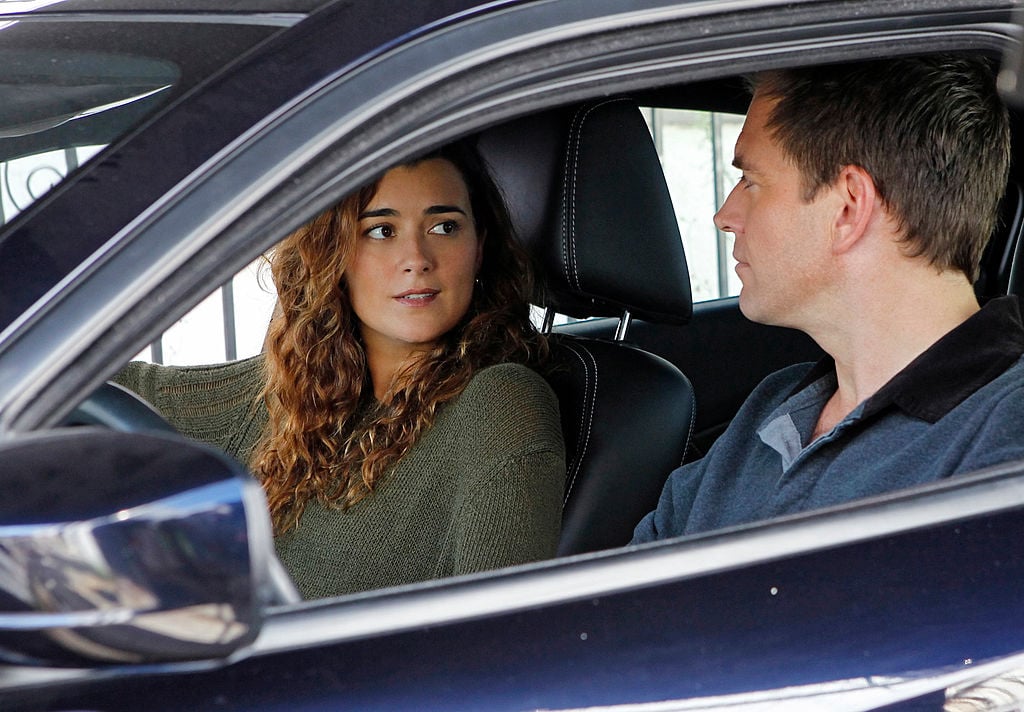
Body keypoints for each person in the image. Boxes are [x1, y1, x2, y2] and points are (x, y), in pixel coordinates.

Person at [116, 140, 566, 597]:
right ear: (335, 253)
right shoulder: (298, 394)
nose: (417, 259)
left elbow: (500, 640)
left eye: (445, 226)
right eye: (381, 231)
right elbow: (109, 390)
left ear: (479, 246)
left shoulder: (501, 404)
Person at [632, 54, 1024, 543]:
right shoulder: (775, 408)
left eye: (751, 181)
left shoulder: (1005, 437)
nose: (725, 215)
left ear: (847, 208)